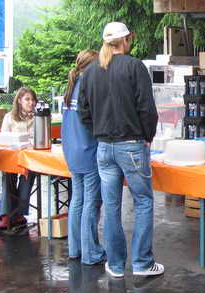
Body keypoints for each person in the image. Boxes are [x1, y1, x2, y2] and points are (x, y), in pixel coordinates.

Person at [79, 21, 162, 278]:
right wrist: (147, 137)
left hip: (104, 147)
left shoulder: (91, 71)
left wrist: (99, 131)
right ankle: (142, 263)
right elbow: (147, 108)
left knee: (111, 205)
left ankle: (115, 265)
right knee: (143, 201)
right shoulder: (135, 66)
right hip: (132, 145)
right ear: (125, 40)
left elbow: (84, 112)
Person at [62, 50, 106, 265]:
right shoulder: (89, 89)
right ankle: (91, 253)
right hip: (88, 151)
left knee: (77, 200)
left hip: (71, 152)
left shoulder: (70, 88)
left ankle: (75, 249)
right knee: (91, 202)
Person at [0, 87, 38, 230]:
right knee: (7, 174)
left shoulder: (38, 118)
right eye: (27, 99)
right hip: (12, 157)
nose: (31, 102)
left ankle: (18, 213)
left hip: (30, 159)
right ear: (19, 101)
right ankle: (7, 214)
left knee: (29, 173)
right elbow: (4, 139)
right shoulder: (9, 117)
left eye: (33, 99)